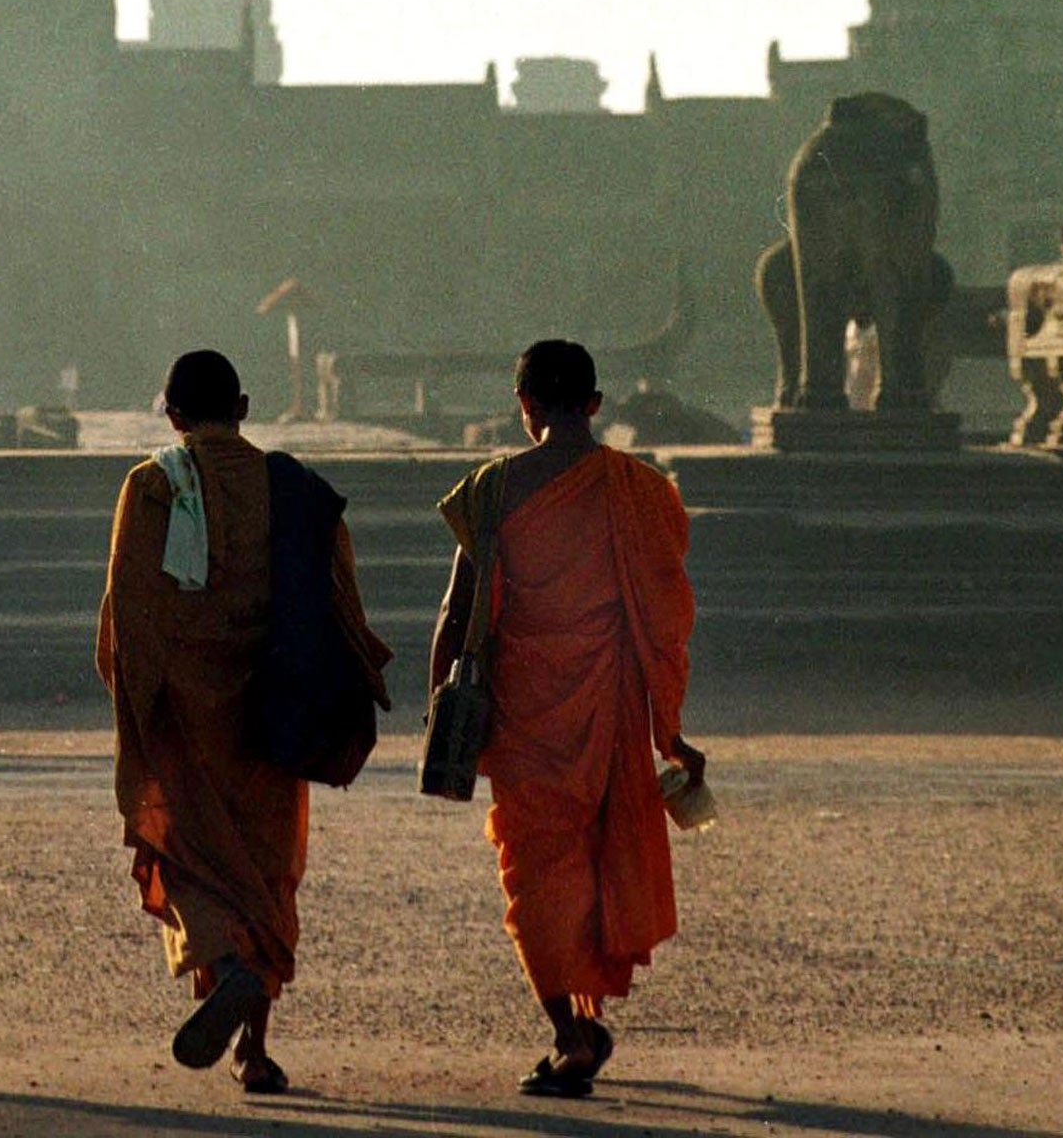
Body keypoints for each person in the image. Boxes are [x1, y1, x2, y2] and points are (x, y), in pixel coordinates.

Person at [97, 349, 384, 1096]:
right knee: (264, 879)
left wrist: (136, 704)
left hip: (184, 725)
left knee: (192, 859)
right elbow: (338, 595)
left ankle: (225, 967)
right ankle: (253, 1051)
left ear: (171, 414)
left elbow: (128, 614)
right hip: (272, 711)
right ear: (246, 408)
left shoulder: (154, 484)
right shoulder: (290, 490)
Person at [429, 340, 702, 1099]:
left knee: (538, 876)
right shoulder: (642, 491)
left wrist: (440, 712)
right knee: (590, 861)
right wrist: (669, 731)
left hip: (523, 713)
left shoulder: (494, 488)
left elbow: (456, 614)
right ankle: (579, 1021)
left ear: (525, 409)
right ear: (593, 404)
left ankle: (570, 1036)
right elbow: (665, 623)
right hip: (612, 709)